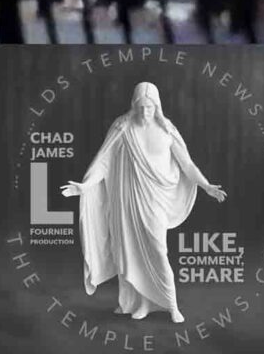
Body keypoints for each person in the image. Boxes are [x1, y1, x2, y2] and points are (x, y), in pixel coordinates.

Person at [60, 79, 227, 325]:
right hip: (128, 202)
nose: (144, 112)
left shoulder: (167, 130)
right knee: (129, 251)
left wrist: (206, 185)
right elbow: (103, 162)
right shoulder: (122, 128)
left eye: (149, 107)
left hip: (155, 201)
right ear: (133, 105)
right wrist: (85, 186)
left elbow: (187, 164)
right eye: (140, 107)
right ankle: (140, 303)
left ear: (157, 106)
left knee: (158, 250)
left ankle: (171, 305)